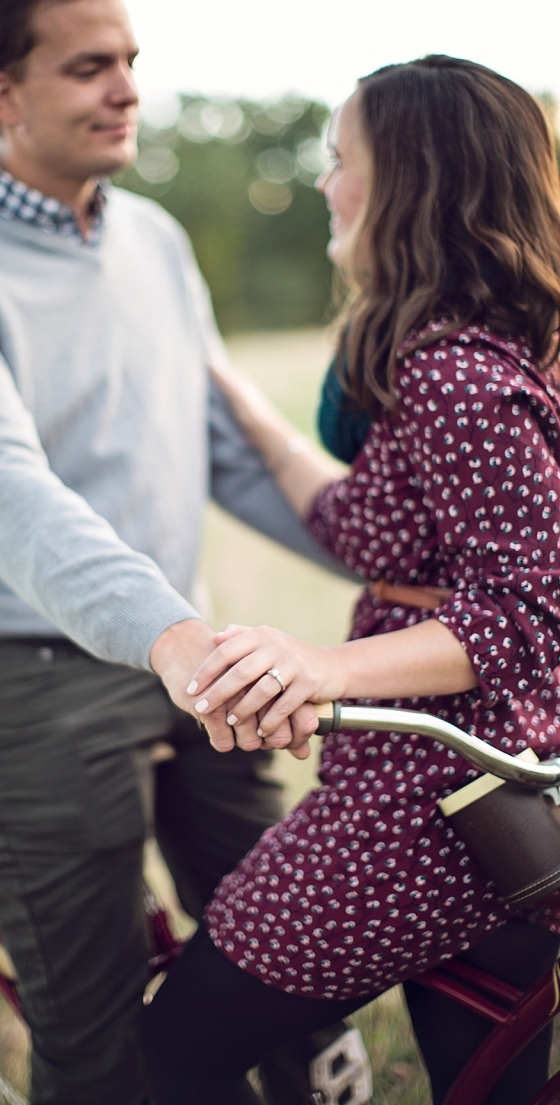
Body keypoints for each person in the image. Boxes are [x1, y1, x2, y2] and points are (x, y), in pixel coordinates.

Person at [0, 0, 362, 1105]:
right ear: (5, 94)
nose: (126, 89)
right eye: (89, 67)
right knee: (101, 1059)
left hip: (175, 662)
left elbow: (227, 455)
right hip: (21, 685)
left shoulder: (157, 241)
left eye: (129, 60)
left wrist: (412, 566)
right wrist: (175, 638)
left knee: (296, 971)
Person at [142, 54, 560, 1105]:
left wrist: (315, 664)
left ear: (413, 183)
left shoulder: (454, 375)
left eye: (342, 161)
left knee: (164, 1058)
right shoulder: (480, 354)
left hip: (428, 805)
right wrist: (228, 385)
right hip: (497, 799)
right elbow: (354, 519)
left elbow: (526, 614)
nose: (328, 183)